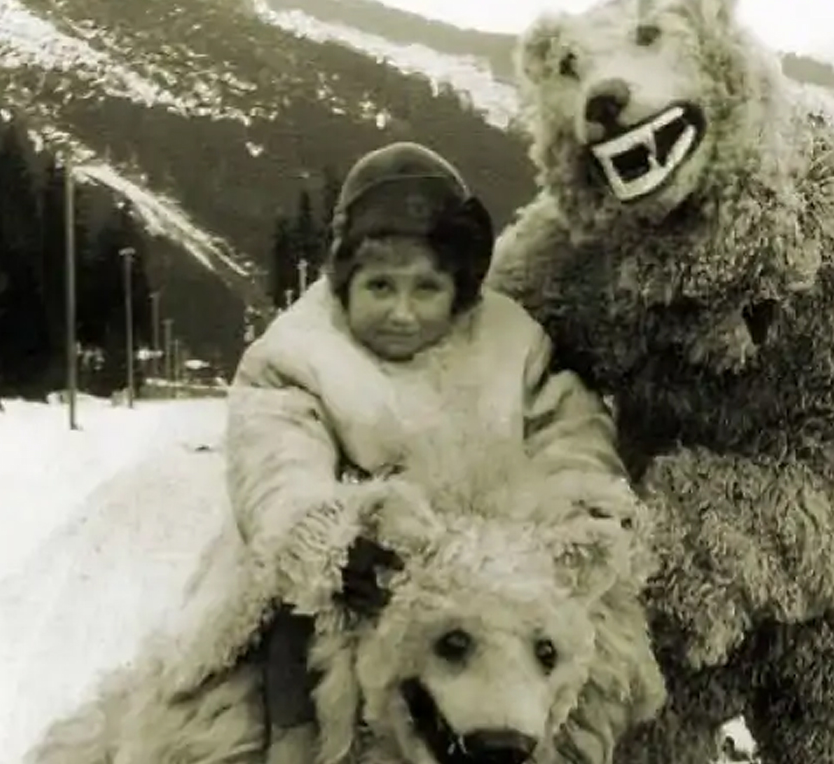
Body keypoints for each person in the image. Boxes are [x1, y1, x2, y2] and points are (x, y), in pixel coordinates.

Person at [225, 141, 633, 764]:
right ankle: (295, 740)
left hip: (494, 562)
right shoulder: (300, 354)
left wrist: (580, 509)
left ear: (461, 289)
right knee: (291, 634)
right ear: (342, 279)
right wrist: (325, 539)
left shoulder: (511, 342)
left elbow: (568, 432)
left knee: (590, 647)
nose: (402, 311)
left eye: (427, 288)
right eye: (379, 286)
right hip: (371, 566)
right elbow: (276, 459)